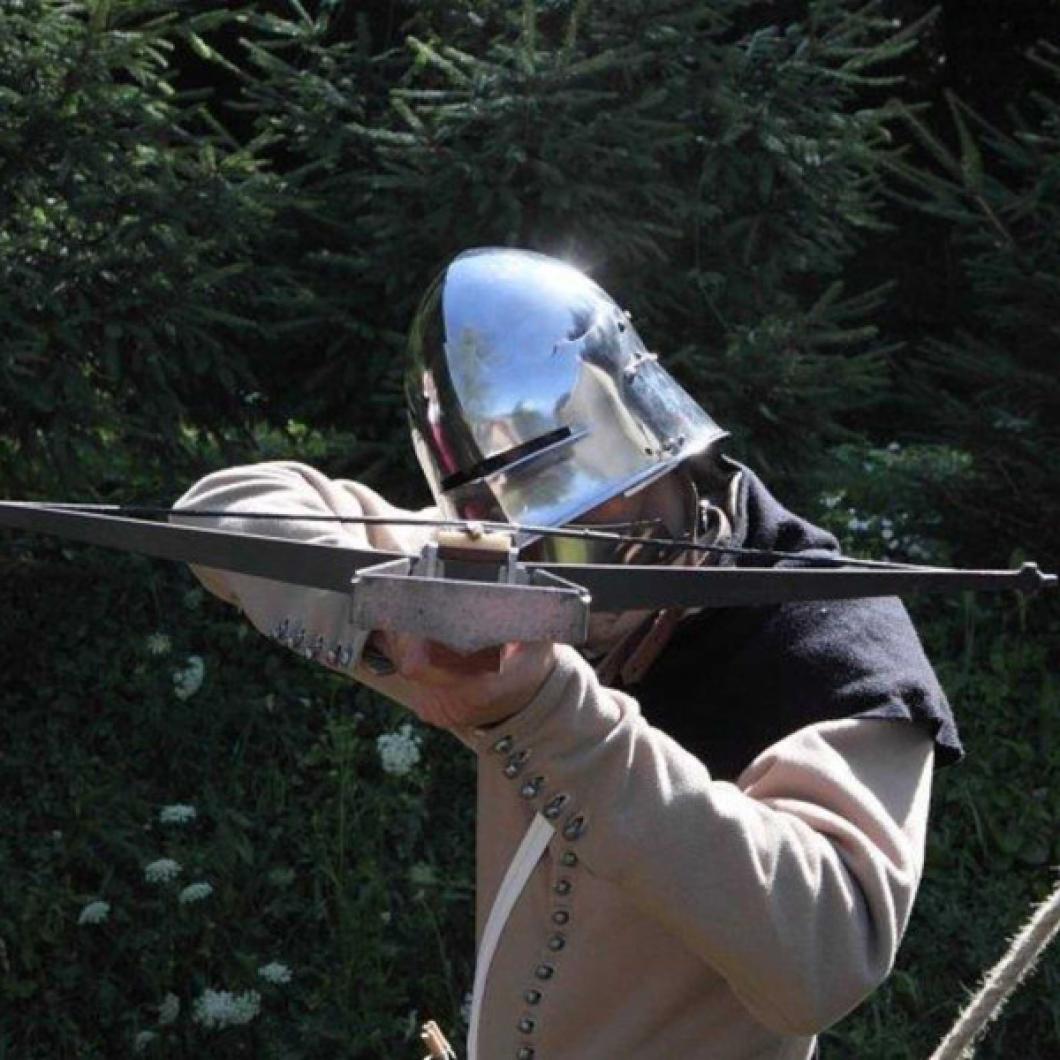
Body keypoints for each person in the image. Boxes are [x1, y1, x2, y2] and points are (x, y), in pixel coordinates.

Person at [174, 248, 961, 1060]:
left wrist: (548, 711)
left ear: (662, 449)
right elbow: (224, 512)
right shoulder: (510, 568)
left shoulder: (834, 637)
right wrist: (400, 617)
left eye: (597, 521)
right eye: (541, 540)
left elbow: (823, 963)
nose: (573, 561)